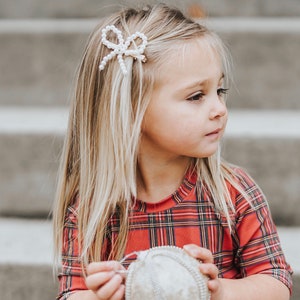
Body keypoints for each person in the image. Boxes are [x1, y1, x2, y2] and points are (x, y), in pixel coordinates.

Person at [53, 3, 293, 300]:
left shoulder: (233, 193)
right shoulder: (92, 211)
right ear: (131, 112)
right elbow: (70, 294)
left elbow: (278, 283)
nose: (219, 109)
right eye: (196, 96)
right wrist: (100, 295)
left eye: (219, 91)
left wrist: (217, 291)